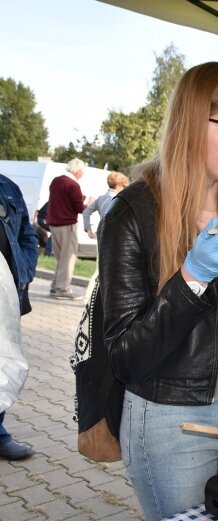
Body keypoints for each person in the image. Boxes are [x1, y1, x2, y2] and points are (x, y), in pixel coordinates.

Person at [98, 61, 218, 520]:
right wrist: (192, 279)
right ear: (190, 120)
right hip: (170, 415)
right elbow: (125, 356)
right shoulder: (133, 213)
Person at [0, 172, 38, 460]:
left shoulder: (7, 187)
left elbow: (27, 232)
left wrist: (24, 269)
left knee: (2, 363)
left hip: (6, 294)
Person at [47, 158, 89, 299]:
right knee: (68, 258)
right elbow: (79, 208)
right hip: (66, 224)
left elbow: (61, 200)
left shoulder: (56, 181)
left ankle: (55, 286)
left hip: (53, 223)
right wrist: (89, 202)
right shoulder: (73, 185)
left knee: (60, 258)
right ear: (77, 171)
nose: (82, 175)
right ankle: (62, 289)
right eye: (82, 172)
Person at [83, 171, 129, 240]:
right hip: (115, 236)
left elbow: (86, 212)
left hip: (101, 234)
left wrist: (88, 229)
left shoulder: (101, 198)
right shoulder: (119, 200)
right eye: (124, 186)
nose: (125, 188)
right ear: (118, 185)